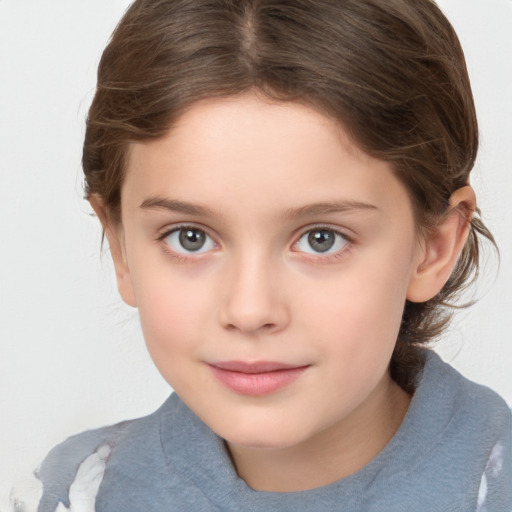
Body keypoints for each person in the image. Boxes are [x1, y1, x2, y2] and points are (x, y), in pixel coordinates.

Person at [12, 0, 511, 510]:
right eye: (190, 238)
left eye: (321, 239)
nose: (250, 310)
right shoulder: (73, 492)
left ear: (433, 248)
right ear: (120, 246)